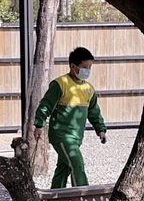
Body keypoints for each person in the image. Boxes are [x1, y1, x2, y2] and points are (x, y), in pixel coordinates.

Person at [33, 46, 108, 189]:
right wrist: (39, 124)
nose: (88, 71)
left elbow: (94, 112)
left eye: (90, 67)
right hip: (61, 135)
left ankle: (55, 198)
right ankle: (82, 197)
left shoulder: (89, 89)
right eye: (84, 67)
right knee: (76, 163)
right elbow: (46, 105)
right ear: (73, 66)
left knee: (64, 167)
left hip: (77, 137)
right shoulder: (60, 84)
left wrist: (101, 130)